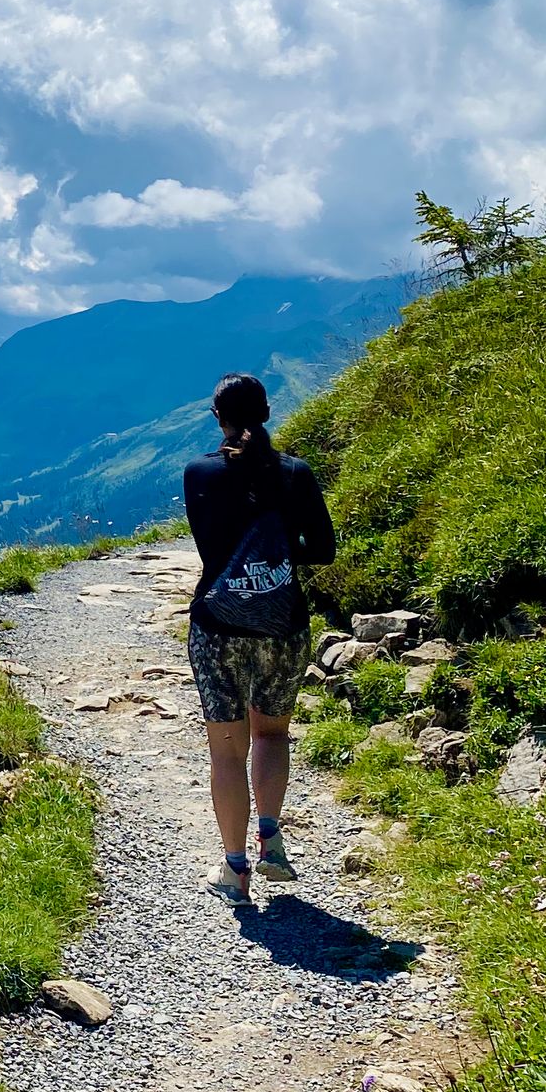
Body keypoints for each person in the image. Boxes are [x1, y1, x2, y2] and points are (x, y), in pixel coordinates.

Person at [183, 371, 337, 903]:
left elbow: (209, 549)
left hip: (218, 627)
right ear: (268, 413)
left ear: (217, 417)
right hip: (283, 625)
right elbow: (323, 550)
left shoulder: (198, 473)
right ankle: (270, 840)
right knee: (271, 735)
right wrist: (274, 555)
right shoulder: (296, 473)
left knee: (227, 753)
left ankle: (235, 871)